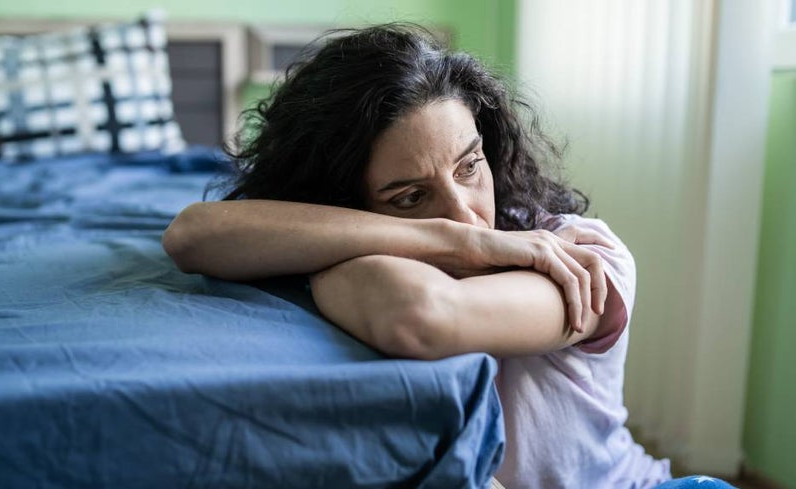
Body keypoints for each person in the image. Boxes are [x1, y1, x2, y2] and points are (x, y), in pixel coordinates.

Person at [163, 24, 733, 489]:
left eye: (469, 166)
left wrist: (366, 237)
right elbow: (192, 236)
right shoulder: (451, 237)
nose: (463, 213)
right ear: (344, 203)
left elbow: (420, 315)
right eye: (410, 196)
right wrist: (464, 243)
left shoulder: (580, 256)